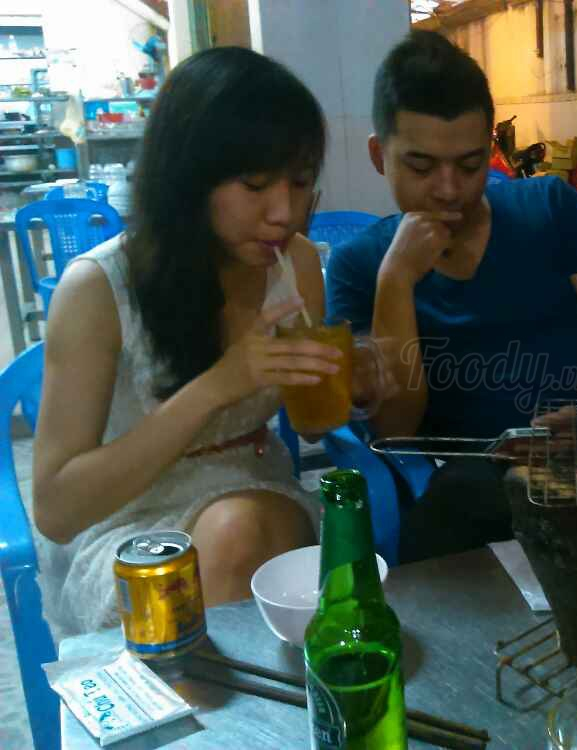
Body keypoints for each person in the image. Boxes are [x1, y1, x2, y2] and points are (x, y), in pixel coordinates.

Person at [326, 31, 577, 564]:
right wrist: (396, 281)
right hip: (490, 479)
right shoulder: (360, 268)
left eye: (470, 164)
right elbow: (396, 429)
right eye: (421, 167)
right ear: (380, 156)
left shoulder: (548, 209)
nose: (449, 189)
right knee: (451, 518)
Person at [32, 47, 345, 635]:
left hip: (263, 493)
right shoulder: (98, 290)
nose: (284, 212)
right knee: (238, 536)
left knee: (251, 529)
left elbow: (313, 426)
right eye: (255, 184)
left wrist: (354, 385)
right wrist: (216, 387)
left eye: (300, 182)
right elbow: (56, 508)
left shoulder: (295, 264)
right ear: (188, 177)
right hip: (130, 524)